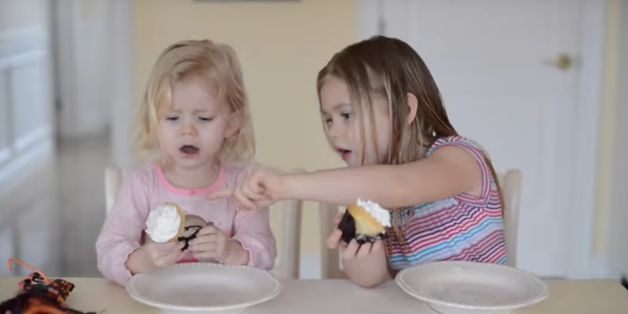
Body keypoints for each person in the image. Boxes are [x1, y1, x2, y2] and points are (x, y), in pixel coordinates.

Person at [217, 36, 508, 288]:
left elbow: (400, 186)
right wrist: (362, 252)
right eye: (328, 119)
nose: (333, 130)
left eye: (346, 115)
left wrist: (283, 185)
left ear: (405, 109)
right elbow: (373, 280)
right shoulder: (371, 201)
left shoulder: (460, 158)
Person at [96, 39, 276, 286]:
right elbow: (108, 250)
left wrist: (231, 251)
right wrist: (144, 259)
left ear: (232, 123)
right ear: (153, 122)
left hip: (223, 301)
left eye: (203, 118)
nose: (187, 131)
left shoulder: (242, 184)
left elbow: (264, 252)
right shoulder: (141, 184)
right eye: (172, 118)